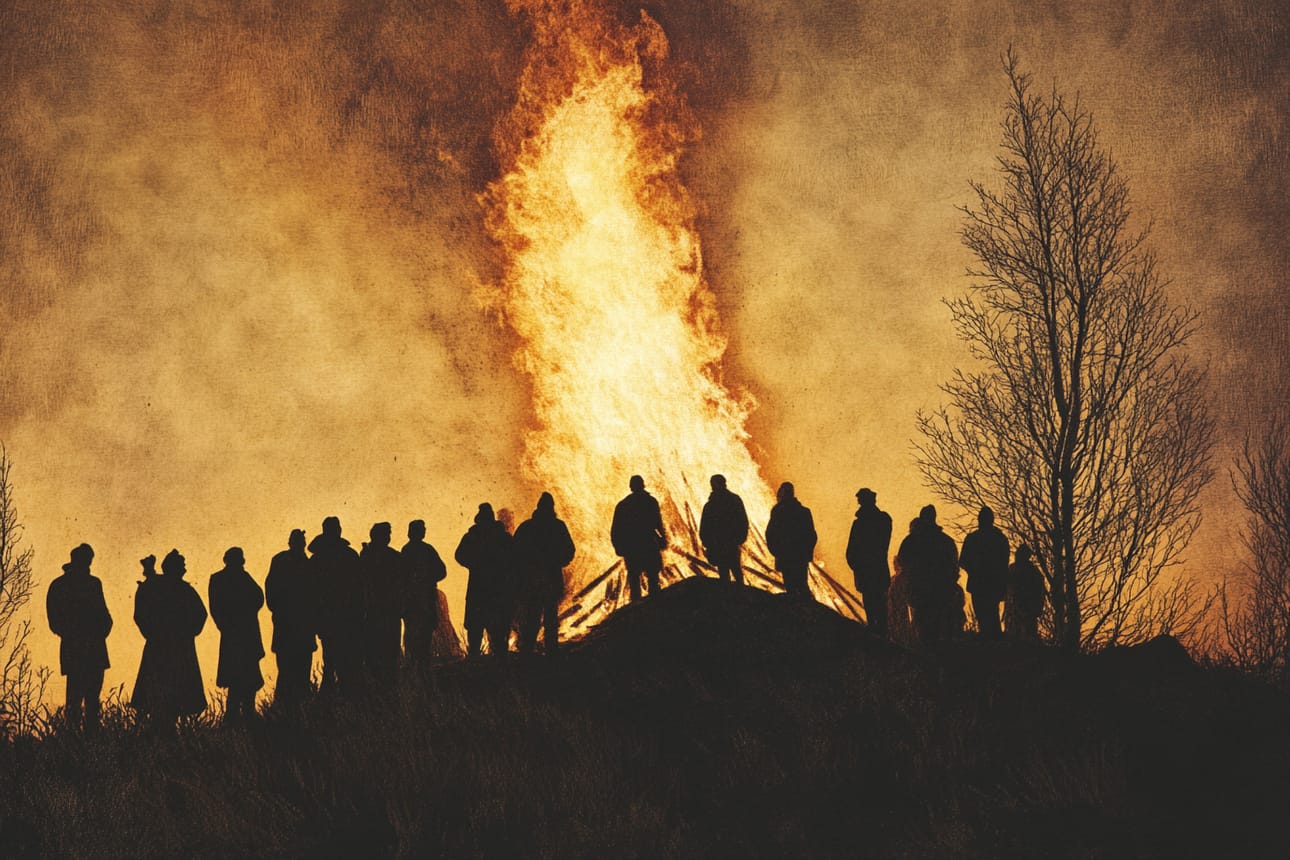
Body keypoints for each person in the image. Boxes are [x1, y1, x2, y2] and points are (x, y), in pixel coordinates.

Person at [132, 550, 207, 730]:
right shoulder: (182, 589)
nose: (185, 569)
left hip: (163, 646)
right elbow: (200, 614)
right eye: (182, 566)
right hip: (175, 647)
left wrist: (152, 633)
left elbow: (141, 612)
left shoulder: (156, 586)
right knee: (168, 691)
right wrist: (186, 633)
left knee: (164, 691)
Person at [45, 543, 112, 732]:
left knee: (92, 702)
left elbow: (105, 615)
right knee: (74, 702)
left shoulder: (94, 583)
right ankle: (73, 739)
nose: (88, 563)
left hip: (94, 649)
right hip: (76, 650)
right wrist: (76, 634)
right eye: (86, 560)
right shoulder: (60, 585)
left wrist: (102, 630)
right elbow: (55, 621)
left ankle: (90, 737)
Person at [513, 492, 576, 657]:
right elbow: (569, 550)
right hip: (551, 578)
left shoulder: (527, 527)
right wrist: (558, 562)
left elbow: (515, 553)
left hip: (532, 581)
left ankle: (528, 650)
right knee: (550, 617)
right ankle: (551, 651)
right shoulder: (558, 527)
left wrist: (523, 572)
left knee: (532, 616)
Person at [208, 547, 265, 722]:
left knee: (246, 675)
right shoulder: (222, 578)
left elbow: (258, 597)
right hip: (237, 633)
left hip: (241, 633)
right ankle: (235, 714)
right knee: (238, 675)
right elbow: (216, 608)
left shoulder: (238, 577)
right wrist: (227, 625)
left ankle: (245, 712)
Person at [309, 516, 362, 692]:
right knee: (345, 660)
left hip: (328, 619)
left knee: (330, 659)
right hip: (346, 617)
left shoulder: (316, 560)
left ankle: (331, 693)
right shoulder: (349, 555)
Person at [265, 529, 316, 706]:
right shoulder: (304, 564)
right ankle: (291, 705)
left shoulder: (284, 561)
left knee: (291, 671)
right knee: (293, 670)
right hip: (294, 626)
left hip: (291, 626)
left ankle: (288, 705)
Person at [895, 506, 961, 643]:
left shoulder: (911, 540)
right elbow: (954, 565)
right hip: (941, 590)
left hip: (919, 589)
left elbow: (902, 561)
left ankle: (926, 649)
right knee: (938, 623)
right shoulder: (946, 541)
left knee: (923, 624)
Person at [455, 503, 514, 658]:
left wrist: (474, 564)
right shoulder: (502, 536)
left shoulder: (473, 536)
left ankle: (474, 662)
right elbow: (514, 558)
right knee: (498, 631)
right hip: (498, 590)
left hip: (478, 590)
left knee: (475, 631)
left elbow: (459, 555)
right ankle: (499, 662)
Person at [362, 522, 405, 685]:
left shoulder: (367, 556)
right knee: (387, 652)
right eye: (386, 534)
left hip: (376, 612)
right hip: (385, 612)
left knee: (378, 652)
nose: (388, 537)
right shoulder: (393, 556)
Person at [610, 475, 667, 600]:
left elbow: (616, 530)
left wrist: (618, 547)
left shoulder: (623, 505)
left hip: (632, 549)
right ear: (643, 485)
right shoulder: (651, 502)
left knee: (634, 582)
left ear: (631, 487)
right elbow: (658, 524)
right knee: (653, 579)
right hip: (648, 545)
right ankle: (656, 604)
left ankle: (637, 607)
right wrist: (663, 540)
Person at [846, 488, 893, 638]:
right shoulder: (884, 520)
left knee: (870, 605)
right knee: (881, 606)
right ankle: (883, 636)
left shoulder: (860, 524)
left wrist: (857, 567)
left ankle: (874, 634)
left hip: (865, 573)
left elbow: (851, 550)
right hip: (879, 572)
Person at [401, 520, 447, 670]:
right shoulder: (427, 550)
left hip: (413, 601)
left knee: (414, 635)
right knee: (424, 636)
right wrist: (428, 579)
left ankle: (415, 666)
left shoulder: (406, 551)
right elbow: (441, 571)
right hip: (424, 599)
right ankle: (421, 667)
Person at [959, 506, 1010, 638]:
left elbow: (963, 561)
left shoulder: (973, 539)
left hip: (980, 585)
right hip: (992, 585)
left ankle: (989, 641)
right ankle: (993, 641)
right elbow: (1004, 565)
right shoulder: (1000, 539)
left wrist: (974, 570)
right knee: (991, 615)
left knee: (984, 617)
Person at [765, 482, 817, 598]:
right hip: (800, 557)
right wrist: (806, 554)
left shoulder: (778, 511)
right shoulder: (804, 512)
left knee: (791, 587)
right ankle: (806, 605)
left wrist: (776, 552)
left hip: (786, 557)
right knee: (802, 584)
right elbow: (812, 536)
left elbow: (770, 533)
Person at [699, 474, 749, 585]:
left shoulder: (712, 504)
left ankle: (732, 593)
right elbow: (743, 521)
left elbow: (704, 527)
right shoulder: (733, 500)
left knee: (726, 573)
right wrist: (740, 539)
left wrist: (708, 543)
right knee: (735, 571)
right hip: (728, 544)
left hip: (722, 544)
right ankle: (740, 592)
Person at [1005, 544, 1046, 641]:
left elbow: (1039, 591)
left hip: (1026, 609)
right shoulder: (1014, 569)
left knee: (1027, 635)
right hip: (1014, 610)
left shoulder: (1031, 572)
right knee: (1015, 635)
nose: (1017, 556)